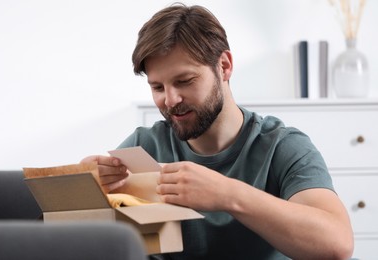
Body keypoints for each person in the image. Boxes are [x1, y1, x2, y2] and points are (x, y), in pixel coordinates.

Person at [82, 3, 353, 259]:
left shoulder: (282, 146)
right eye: (158, 88)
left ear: (224, 66)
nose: (171, 99)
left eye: (184, 81)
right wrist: (81, 189)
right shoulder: (145, 145)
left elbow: (337, 245)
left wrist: (227, 194)